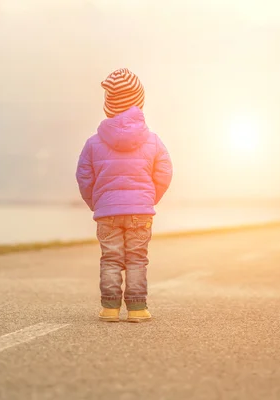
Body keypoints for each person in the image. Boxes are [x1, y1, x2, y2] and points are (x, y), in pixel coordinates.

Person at [76, 68, 173, 323]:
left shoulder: (93, 142)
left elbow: (84, 177)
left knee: (110, 258)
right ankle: (137, 309)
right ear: (139, 102)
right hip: (141, 212)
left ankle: (109, 308)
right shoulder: (152, 140)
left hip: (107, 212)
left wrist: (95, 202)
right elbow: (164, 173)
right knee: (137, 259)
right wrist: (148, 199)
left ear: (108, 105)